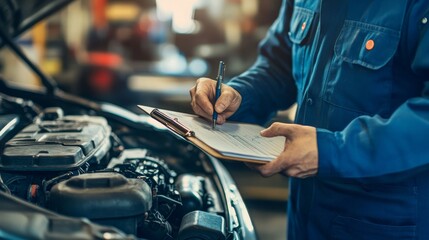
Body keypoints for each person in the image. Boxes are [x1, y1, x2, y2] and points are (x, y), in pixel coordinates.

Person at [189, 0, 429, 239]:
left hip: (383, 224)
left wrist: (330, 151)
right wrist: (239, 95)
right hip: (303, 215)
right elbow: (278, 67)